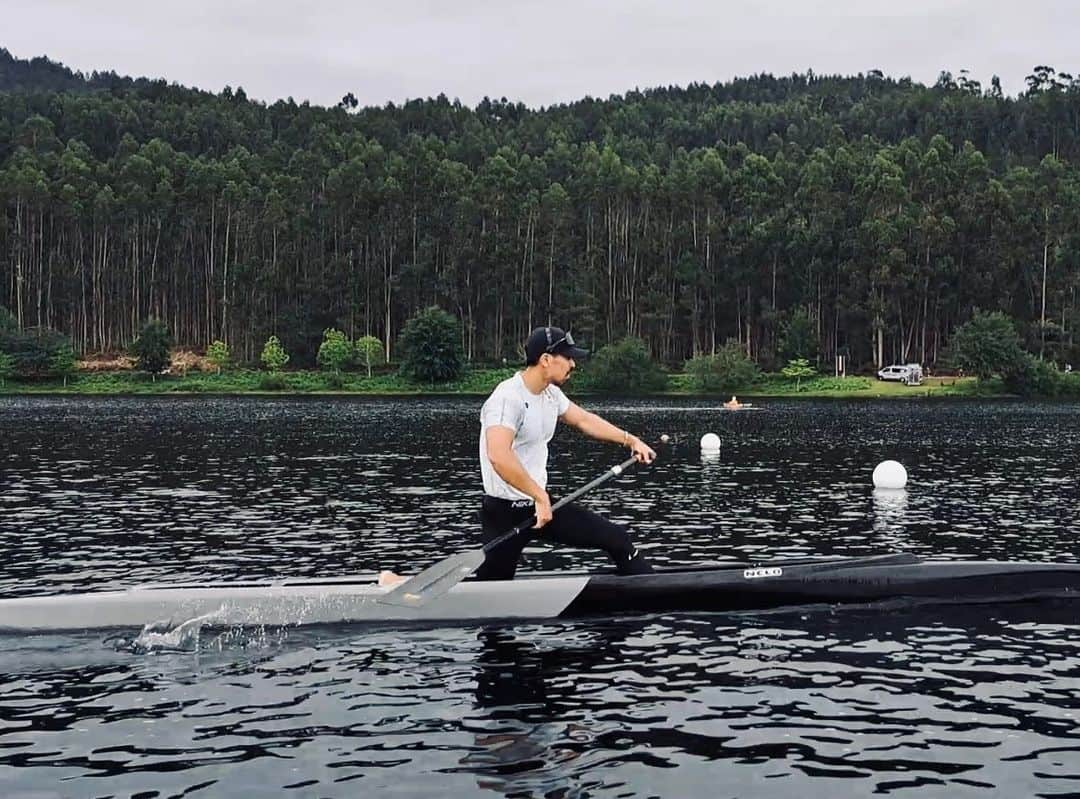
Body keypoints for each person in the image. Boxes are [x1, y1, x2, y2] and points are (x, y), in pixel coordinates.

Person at [476, 326, 655, 580]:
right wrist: (538, 495)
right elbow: (498, 455)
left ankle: (649, 595)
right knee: (491, 589)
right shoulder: (507, 398)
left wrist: (630, 440)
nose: (573, 364)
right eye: (568, 357)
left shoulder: (550, 394)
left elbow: (584, 420)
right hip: (504, 514)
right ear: (546, 360)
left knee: (618, 539)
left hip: (542, 506)